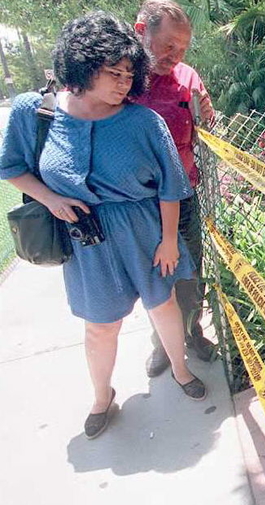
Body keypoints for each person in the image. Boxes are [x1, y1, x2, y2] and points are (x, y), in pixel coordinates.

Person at [0, 12, 207, 439]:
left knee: (162, 303)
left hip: (143, 230)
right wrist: (51, 199)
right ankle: (101, 396)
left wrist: (169, 240)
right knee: (99, 324)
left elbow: (172, 185)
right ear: (80, 67)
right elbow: (12, 167)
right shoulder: (34, 112)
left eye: (129, 74)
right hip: (84, 240)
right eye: (113, 73)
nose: (123, 83)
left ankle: (182, 371)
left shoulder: (143, 121)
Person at [132, 0, 217, 377]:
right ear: (141, 32)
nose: (174, 55)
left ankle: (193, 332)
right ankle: (163, 345)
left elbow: (207, 131)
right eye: (167, 45)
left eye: (181, 48)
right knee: (152, 280)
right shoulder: (120, 81)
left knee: (189, 272)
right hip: (138, 204)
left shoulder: (188, 78)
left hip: (184, 197)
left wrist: (208, 118)